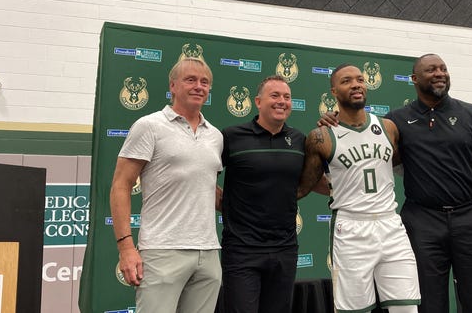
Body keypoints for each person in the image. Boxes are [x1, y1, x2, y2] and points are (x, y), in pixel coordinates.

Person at [320, 54, 472, 313]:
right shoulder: (394, 122)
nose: (439, 73)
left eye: (443, 69)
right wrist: (333, 120)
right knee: (426, 306)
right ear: (413, 79)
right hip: (422, 222)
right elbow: (363, 147)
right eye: (431, 70)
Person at [299, 64, 421, 313]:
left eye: (360, 79)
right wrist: (338, 188)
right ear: (334, 91)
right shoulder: (321, 137)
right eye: (346, 81)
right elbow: (305, 186)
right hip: (351, 228)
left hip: (391, 224)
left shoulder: (388, 128)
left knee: (407, 309)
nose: (355, 84)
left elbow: (392, 164)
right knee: (355, 310)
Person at [110, 57, 223, 313]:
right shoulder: (149, 126)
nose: (198, 86)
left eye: (204, 82)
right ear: (173, 86)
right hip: (161, 251)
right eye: (190, 79)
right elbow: (121, 185)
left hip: (208, 253)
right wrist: (126, 247)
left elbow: (208, 189)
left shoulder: (215, 136)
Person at [220, 75, 326, 313]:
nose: (282, 101)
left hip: (284, 249)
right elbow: (203, 175)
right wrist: (223, 203)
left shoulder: (300, 140)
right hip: (241, 250)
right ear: (258, 101)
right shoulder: (232, 136)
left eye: (287, 97)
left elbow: (315, 180)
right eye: (275, 95)